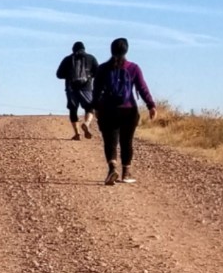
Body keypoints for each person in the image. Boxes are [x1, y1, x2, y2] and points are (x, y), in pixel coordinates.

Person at [91, 37, 155, 184]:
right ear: (126, 50)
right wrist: (151, 105)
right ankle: (126, 173)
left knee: (110, 142)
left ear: (111, 49)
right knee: (127, 142)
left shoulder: (102, 68)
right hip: (129, 110)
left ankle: (112, 168)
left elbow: (96, 91)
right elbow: (142, 88)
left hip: (108, 110)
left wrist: (95, 108)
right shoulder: (133, 68)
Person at [55, 40, 99, 139]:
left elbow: (58, 74)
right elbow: (98, 73)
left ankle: (77, 133)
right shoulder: (91, 58)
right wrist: (90, 76)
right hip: (87, 88)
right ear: (84, 49)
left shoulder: (67, 59)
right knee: (89, 108)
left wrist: (68, 75)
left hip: (71, 89)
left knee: (73, 109)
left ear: (73, 50)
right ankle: (87, 124)